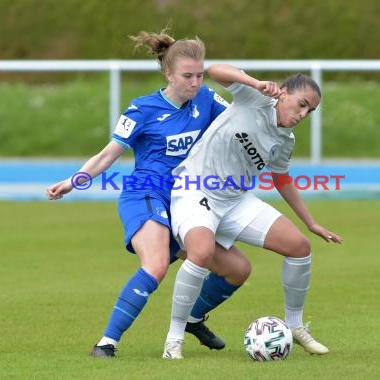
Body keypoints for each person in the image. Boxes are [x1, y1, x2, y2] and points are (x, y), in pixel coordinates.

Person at [46, 31, 251, 358]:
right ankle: (107, 343)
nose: (195, 82)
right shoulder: (142, 109)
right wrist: (75, 180)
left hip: (187, 201)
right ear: (168, 74)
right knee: (156, 265)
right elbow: (108, 154)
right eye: (187, 76)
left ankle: (192, 319)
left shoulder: (207, 99)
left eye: (199, 75)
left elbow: (240, 123)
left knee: (237, 269)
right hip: (145, 194)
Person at [162, 63, 343, 360]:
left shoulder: (285, 139)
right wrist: (255, 82)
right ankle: (174, 340)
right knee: (202, 252)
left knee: (299, 247)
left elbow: (281, 178)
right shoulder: (254, 97)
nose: (302, 114)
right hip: (196, 189)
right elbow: (215, 70)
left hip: (235, 199)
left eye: (310, 111)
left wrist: (311, 222)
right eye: (301, 104)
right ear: (282, 94)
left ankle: (295, 327)